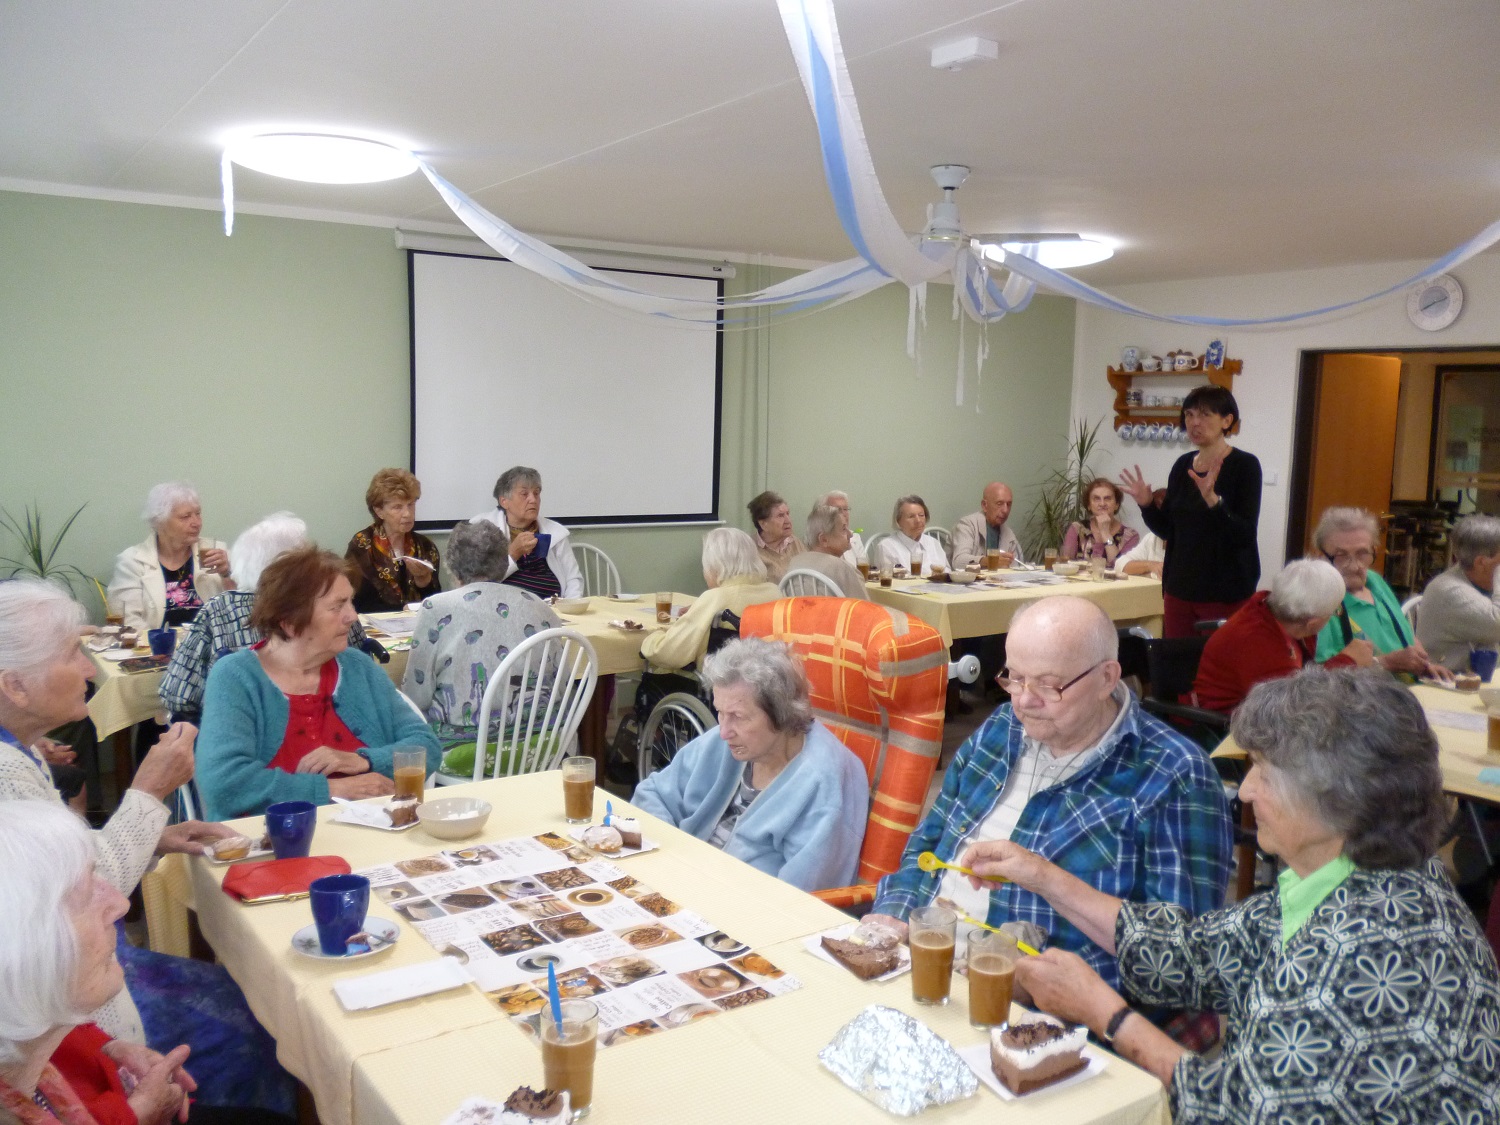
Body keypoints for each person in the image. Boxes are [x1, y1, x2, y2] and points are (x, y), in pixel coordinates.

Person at [961, 668, 1500, 1123]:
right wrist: (1041, 875)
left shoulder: (1360, 957)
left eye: (1263, 772)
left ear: (1337, 798)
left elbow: (1232, 1112)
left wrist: (1107, 1015)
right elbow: (1189, 952)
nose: (1245, 790)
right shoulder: (1357, 877)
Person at [867, 597, 1232, 988]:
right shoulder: (1002, 726)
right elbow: (930, 838)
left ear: (1107, 678)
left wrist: (1039, 984)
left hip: (1031, 1004)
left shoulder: (1174, 774)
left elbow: (1182, 961)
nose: (1024, 700)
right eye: (1014, 677)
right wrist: (894, 913)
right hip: (922, 962)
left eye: (1048, 684)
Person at [0, 802, 296, 1125]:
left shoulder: (20, 1036)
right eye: (86, 896)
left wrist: (109, 1048)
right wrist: (135, 1117)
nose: (120, 904)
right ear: (20, 955)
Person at [197, 548, 440, 820]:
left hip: (372, 833)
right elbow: (224, 784)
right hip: (272, 839)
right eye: (337, 607)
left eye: (350, 602)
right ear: (290, 623)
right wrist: (332, 789)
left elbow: (426, 746)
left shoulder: (357, 667)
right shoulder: (236, 677)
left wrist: (364, 760)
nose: (352, 616)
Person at [631, 638, 868, 892]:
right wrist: (672, 856)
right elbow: (651, 794)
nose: (724, 731)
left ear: (782, 713)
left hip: (741, 903)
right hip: (682, 880)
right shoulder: (725, 743)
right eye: (720, 712)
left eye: (738, 717)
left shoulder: (823, 782)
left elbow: (799, 897)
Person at [158, 512, 350, 724]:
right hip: (326, 720)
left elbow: (177, 694)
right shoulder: (327, 604)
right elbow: (356, 664)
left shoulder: (220, 608)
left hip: (237, 724)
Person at [400, 521, 561, 764]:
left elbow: (416, 695)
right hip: (539, 746)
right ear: (503, 562)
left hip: (466, 751)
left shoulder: (436, 608)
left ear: (453, 566)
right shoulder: (540, 606)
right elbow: (561, 683)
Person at [1120, 385, 1262, 638]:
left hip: (1225, 592)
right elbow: (1168, 530)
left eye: (1205, 414)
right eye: (1189, 414)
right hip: (1179, 590)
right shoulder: (1182, 465)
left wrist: (1213, 501)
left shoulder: (1245, 465)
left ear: (1226, 420)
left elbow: (1244, 535)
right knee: (1178, 658)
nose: (1195, 422)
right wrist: (1146, 504)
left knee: (1218, 659)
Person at [1192, 559, 1372, 714]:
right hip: (1228, 726)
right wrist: (1347, 662)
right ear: (1313, 622)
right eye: (1336, 611)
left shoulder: (1275, 609)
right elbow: (1292, 708)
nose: (1336, 614)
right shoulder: (1257, 645)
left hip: (1264, 708)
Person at [635, 529, 782, 709]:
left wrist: (651, 640)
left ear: (715, 566)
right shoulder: (774, 593)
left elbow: (671, 654)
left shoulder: (715, 599)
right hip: (765, 687)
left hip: (715, 687)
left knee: (653, 679)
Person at [1312, 506, 1449, 679]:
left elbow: (1403, 638)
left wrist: (1424, 665)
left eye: (1362, 554)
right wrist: (1385, 663)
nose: (1354, 566)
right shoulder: (1319, 601)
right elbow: (1318, 676)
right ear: (1320, 556)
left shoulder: (1375, 582)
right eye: (1341, 555)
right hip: (1359, 694)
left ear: (1374, 551)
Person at [107, 482, 232, 630]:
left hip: (210, 642)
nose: (196, 523)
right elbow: (127, 621)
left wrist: (227, 574)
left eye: (198, 514)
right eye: (185, 516)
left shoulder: (217, 553)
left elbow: (243, 609)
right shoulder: (132, 562)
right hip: (155, 643)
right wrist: (161, 640)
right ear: (159, 522)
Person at [471, 466, 583, 599]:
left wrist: (569, 607)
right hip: (504, 608)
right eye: (524, 494)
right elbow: (478, 584)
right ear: (504, 501)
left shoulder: (555, 532)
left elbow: (573, 579)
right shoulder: (483, 530)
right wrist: (513, 553)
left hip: (553, 608)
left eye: (536, 493)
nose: (533, 500)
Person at [345, 468, 440, 614]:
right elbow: (359, 603)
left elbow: (436, 603)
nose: (407, 514)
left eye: (411, 505)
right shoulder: (363, 545)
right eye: (397, 507)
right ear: (379, 511)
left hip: (418, 623)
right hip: (374, 624)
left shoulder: (426, 546)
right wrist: (402, 610)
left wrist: (424, 581)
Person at [1415, 513, 1500, 673]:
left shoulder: (1479, 580)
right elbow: (1498, 625)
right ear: (1481, 562)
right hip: (1448, 681)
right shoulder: (1450, 591)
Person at [785, 505, 868, 598]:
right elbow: (864, 605)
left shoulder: (794, 563)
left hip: (799, 608)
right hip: (833, 608)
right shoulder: (844, 570)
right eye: (844, 529)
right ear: (824, 539)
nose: (850, 534)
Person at [1061, 478, 1139, 563]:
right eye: (1096, 499)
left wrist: (1105, 533)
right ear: (1089, 505)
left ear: (1116, 505)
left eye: (1107, 498)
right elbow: (1065, 563)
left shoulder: (1130, 536)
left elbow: (1120, 566)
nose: (1102, 504)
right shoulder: (1077, 528)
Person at [951, 482, 1024, 569]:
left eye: (1008, 504)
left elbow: (1017, 567)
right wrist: (987, 561)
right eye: (999, 503)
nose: (1005, 510)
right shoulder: (967, 525)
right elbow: (958, 562)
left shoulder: (1009, 534)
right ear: (984, 505)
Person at [872, 495, 950, 574]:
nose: (918, 520)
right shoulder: (886, 547)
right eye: (911, 516)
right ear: (898, 521)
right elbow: (886, 578)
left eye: (921, 515)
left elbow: (947, 573)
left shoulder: (934, 543)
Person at [746, 491, 803, 582]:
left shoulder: (795, 542)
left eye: (788, 513)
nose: (788, 521)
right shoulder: (749, 550)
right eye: (780, 516)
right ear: (763, 524)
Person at [817, 490, 866, 567]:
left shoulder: (855, 537)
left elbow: (864, 566)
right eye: (838, 510)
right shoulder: (819, 540)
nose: (844, 514)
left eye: (845, 509)